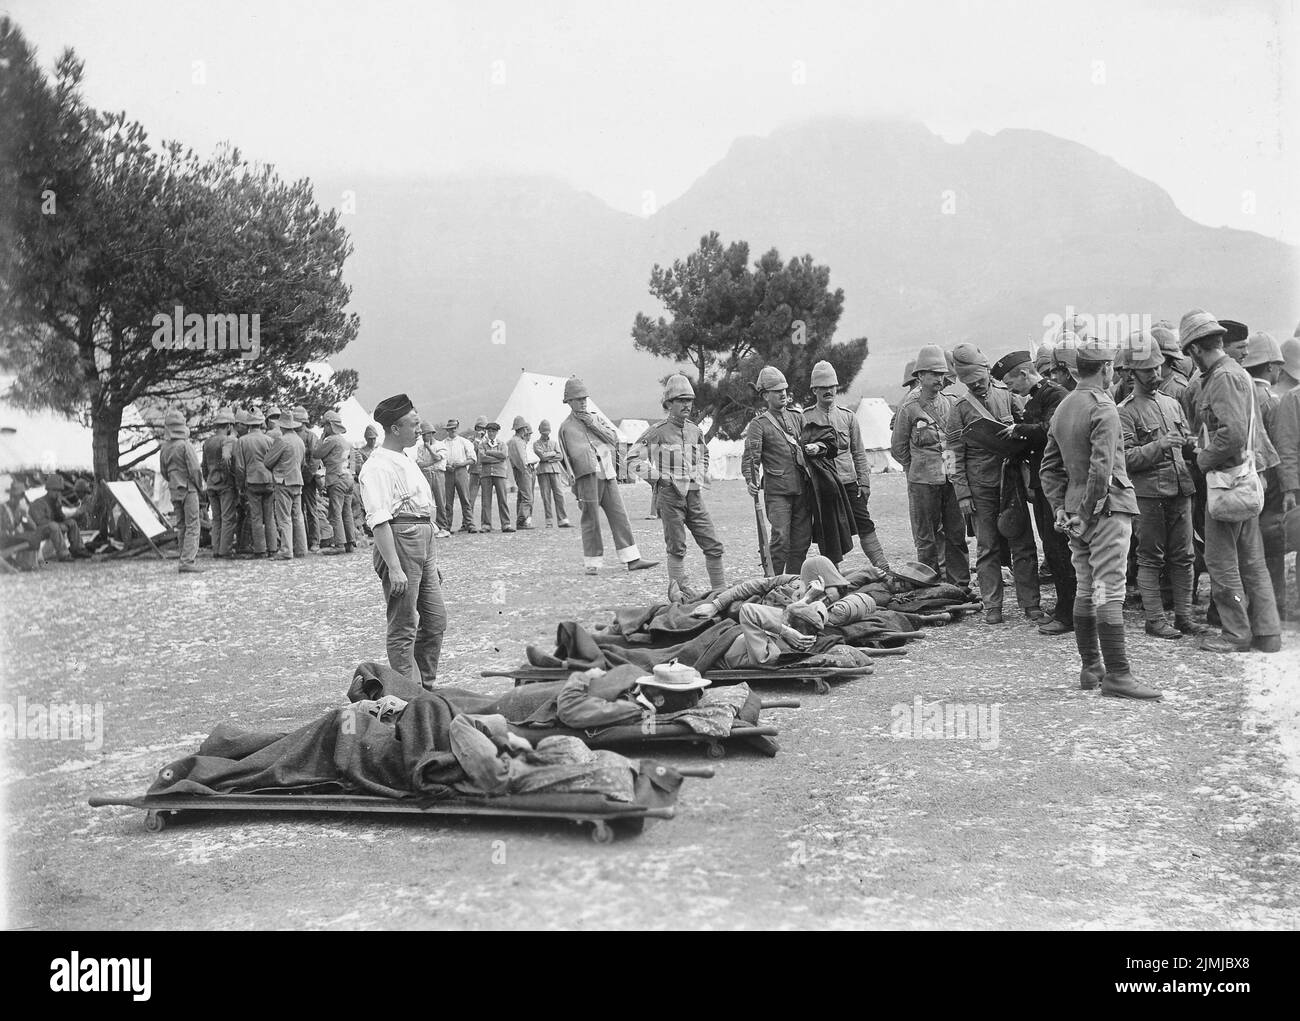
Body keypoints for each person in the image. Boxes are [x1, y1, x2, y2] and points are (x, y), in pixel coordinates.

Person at [1040, 335, 1159, 699]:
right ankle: (1118, 676)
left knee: (1088, 587)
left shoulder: (1064, 407)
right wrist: (1089, 515)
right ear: (1107, 368)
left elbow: (1049, 467)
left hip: (1076, 513)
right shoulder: (1103, 407)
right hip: (1105, 512)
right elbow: (1102, 470)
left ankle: (1091, 668)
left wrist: (1063, 508)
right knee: (1109, 591)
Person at [1180, 309, 1281, 653]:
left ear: (1194, 349)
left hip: (1227, 481)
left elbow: (1232, 435)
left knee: (1222, 562)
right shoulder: (1236, 372)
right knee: (1253, 560)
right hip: (1248, 478)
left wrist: (1201, 457)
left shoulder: (1221, 378)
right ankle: (1268, 633)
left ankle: (1236, 634)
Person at [945, 344, 1042, 625]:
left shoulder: (1008, 397)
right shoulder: (960, 408)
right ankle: (992, 605)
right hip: (979, 486)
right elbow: (950, 455)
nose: (976, 384)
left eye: (979, 377)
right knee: (987, 547)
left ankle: (1030, 603)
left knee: (1023, 542)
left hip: (1010, 480)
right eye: (969, 381)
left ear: (987, 371)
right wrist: (961, 493)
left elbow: (1027, 434)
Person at [357, 393, 447, 687]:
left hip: (423, 540)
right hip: (400, 540)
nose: (418, 429)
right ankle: (408, 694)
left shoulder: (405, 459)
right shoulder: (377, 466)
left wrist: (431, 560)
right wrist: (394, 567)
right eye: (413, 424)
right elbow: (380, 520)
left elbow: (423, 512)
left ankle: (425, 686)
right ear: (395, 429)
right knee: (404, 625)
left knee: (434, 622)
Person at [1118, 332, 1202, 639]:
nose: (1154, 374)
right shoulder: (1124, 412)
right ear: (1131, 373)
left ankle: (1184, 616)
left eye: (1157, 368)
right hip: (1149, 495)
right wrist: (1160, 445)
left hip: (1180, 490)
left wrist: (1191, 444)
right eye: (1147, 370)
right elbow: (1126, 459)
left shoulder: (1171, 404)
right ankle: (1154, 620)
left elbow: (1185, 444)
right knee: (1150, 558)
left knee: (1184, 556)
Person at [993, 349, 1074, 634]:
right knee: (1051, 547)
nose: (1010, 388)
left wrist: (1019, 430)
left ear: (1025, 374)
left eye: (1011, 382)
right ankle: (1066, 605)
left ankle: (1069, 613)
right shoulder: (1036, 399)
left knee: (1059, 547)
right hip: (1043, 483)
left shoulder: (1055, 394)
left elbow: (1050, 428)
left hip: (1056, 483)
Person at [628, 373, 726, 595]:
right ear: (668, 404)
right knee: (676, 548)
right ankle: (679, 594)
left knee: (713, 545)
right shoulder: (658, 432)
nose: (686, 405)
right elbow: (632, 459)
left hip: (694, 495)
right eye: (681, 400)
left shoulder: (695, 430)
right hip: (670, 497)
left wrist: (701, 471)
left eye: (689, 400)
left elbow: (704, 454)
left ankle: (721, 592)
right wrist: (658, 478)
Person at [556, 376, 657, 575]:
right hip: (585, 476)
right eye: (578, 399)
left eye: (585, 398)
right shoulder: (565, 428)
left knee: (619, 515)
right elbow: (565, 461)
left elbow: (613, 439)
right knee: (590, 518)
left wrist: (592, 423)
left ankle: (632, 558)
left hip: (607, 474)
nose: (583, 402)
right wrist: (574, 486)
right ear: (569, 402)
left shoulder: (596, 417)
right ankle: (592, 563)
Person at [803, 360, 891, 571]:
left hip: (849, 482)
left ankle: (884, 569)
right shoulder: (805, 419)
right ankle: (835, 578)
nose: (828, 391)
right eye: (822, 387)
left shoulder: (848, 417)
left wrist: (865, 483)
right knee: (829, 532)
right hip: (824, 486)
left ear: (837, 387)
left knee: (865, 524)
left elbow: (858, 453)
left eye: (831, 386)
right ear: (814, 390)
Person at [892, 346, 969, 586]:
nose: (939, 379)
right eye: (933, 374)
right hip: (923, 481)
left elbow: (955, 442)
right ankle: (930, 586)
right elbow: (898, 448)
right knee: (927, 538)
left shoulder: (951, 403)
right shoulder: (909, 407)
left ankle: (960, 585)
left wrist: (953, 473)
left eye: (941, 374)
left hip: (950, 477)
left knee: (956, 534)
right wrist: (918, 466)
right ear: (920, 376)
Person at [742, 366, 813, 576]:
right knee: (781, 539)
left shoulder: (798, 418)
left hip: (802, 489)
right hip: (778, 492)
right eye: (776, 390)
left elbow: (810, 445)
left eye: (784, 389)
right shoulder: (759, 424)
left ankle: (793, 583)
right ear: (765, 396)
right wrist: (750, 480)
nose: (783, 393)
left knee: (801, 541)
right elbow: (751, 457)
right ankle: (771, 582)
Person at [1242, 331, 1287, 618]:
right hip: (1268, 486)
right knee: (1270, 551)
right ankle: (1274, 608)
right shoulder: (1272, 401)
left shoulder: (1242, 392)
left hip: (1242, 482)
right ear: (1270, 366)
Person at [159, 409, 205, 573]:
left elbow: (164, 471)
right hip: (188, 488)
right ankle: (187, 561)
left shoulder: (164, 448)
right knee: (193, 525)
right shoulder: (185, 445)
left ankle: (183, 557)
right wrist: (200, 487)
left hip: (174, 490)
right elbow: (195, 470)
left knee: (181, 526)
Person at [266, 408, 308, 560]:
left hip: (283, 481)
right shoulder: (299, 441)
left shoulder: (282, 440)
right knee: (298, 517)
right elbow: (303, 463)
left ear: (282, 426)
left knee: (284, 518)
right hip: (297, 481)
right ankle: (302, 549)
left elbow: (268, 461)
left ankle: (286, 550)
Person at [234, 408, 276, 558]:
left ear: (248, 424)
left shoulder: (241, 441)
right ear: (261, 422)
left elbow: (239, 467)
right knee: (270, 516)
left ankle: (260, 550)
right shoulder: (269, 440)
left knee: (256, 517)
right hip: (269, 481)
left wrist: (241, 484)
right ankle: (273, 549)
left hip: (252, 482)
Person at [316, 410, 357, 555]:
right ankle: (350, 542)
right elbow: (353, 461)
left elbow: (317, 453)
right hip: (348, 479)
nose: (323, 429)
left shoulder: (331, 440)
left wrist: (321, 438)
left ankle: (339, 544)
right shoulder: (345, 441)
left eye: (324, 426)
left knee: (336, 512)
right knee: (347, 512)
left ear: (329, 426)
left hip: (337, 479)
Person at [202, 406, 238, 559]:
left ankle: (216, 549)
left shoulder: (207, 442)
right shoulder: (228, 441)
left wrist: (208, 478)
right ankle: (225, 550)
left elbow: (203, 466)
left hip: (211, 483)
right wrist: (229, 475)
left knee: (216, 519)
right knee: (228, 517)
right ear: (229, 426)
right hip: (225, 484)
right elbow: (227, 459)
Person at [1, 478, 65, 564]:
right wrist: (18, 521)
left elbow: (33, 527)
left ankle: (21, 557)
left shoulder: (19, 509)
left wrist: (25, 517)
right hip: (3, 538)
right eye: (14, 496)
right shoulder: (2, 508)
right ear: (11, 496)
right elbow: (6, 528)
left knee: (35, 536)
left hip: (13, 537)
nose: (16, 499)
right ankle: (11, 555)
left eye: (18, 497)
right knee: (32, 538)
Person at [27, 473, 90, 559]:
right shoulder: (38, 503)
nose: (58, 493)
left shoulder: (56, 502)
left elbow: (61, 518)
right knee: (54, 526)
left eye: (59, 491)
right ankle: (64, 554)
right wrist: (59, 525)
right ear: (49, 490)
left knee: (71, 523)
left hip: (53, 528)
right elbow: (39, 522)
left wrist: (59, 511)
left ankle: (78, 549)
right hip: (39, 531)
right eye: (55, 491)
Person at [415, 421, 452, 538]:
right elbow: (420, 464)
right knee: (425, 500)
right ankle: (427, 526)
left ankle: (443, 527)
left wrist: (429, 449)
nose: (424, 437)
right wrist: (432, 461)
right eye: (423, 435)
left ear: (431, 434)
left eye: (426, 434)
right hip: (425, 474)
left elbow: (438, 457)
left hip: (438, 473)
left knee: (440, 500)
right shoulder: (420, 447)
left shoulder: (440, 445)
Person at [294, 406, 324, 553]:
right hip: (296, 478)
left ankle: (314, 541)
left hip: (307, 479)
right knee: (298, 511)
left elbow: (315, 459)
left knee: (311, 511)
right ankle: (303, 541)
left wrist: (306, 476)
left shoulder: (311, 436)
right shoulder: (294, 435)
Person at [532, 419, 571, 528]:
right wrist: (553, 454)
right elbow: (542, 456)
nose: (546, 434)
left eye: (547, 431)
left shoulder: (554, 443)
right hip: (543, 472)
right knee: (546, 496)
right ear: (539, 431)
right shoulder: (536, 444)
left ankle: (563, 519)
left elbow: (561, 456)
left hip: (555, 470)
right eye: (544, 432)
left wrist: (548, 456)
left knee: (559, 495)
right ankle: (549, 520)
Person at [442, 418, 478, 533]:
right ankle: (447, 526)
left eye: (454, 428)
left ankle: (470, 524)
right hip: (448, 472)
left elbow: (473, 459)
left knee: (465, 498)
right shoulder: (442, 443)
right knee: (448, 500)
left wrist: (461, 464)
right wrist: (446, 466)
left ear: (457, 428)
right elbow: (440, 459)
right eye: (449, 429)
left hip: (461, 471)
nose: (452, 431)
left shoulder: (464, 442)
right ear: (447, 430)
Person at [477, 421, 512, 532]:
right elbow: (482, 458)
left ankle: (506, 523)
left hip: (500, 474)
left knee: (502, 498)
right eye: (489, 431)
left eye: (493, 431)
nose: (491, 433)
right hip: (486, 474)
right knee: (486, 500)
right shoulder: (482, 444)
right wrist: (497, 459)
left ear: (497, 432)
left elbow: (504, 455)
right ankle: (486, 524)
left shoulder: (502, 444)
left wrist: (489, 452)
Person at [507, 416, 536, 529]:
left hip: (519, 470)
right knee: (528, 497)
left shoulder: (512, 441)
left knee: (522, 496)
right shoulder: (517, 442)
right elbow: (521, 458)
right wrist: (526, 469)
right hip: (523, 470)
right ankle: (521, 520)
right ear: (523, 429)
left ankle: (522, 520)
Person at [350, 424, 380, 537]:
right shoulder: (359, 452)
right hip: (365, 482)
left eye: (374, 438)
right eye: (370, 438)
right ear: (366, 439)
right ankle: (367, 527)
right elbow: (356, 469)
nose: (372, 441)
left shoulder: (379, 451)